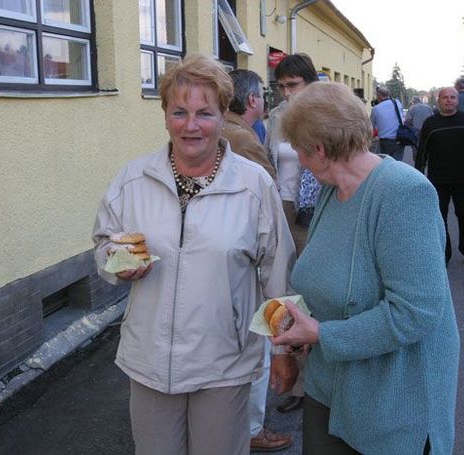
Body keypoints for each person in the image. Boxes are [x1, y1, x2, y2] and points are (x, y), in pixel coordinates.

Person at [92, 54, 296, 455]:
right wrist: (117, 264)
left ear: (223, 115)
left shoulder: (253, 185)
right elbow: (104, 246)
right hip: (150, 360)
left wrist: (283, 349)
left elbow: (279, 272)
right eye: (179, 112)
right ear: (165, 114)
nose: (191, 125)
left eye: (205, 113)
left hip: (224, 363)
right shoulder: (133, 180)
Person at [271, 81, 460, 454]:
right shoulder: (333, 189)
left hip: (391, 401)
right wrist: (292, 343)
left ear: (321, 150)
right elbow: (325, 280)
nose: (300, 161)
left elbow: (415, 312)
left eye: (300, 151)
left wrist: (322, 335)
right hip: (329, 388)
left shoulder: (403, 193)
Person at [223, 68, 293, 452]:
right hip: (251, 259)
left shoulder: (238, 131)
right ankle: (250, 428)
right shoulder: (241, 138)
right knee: (258, 346)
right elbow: (267, 202)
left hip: (239, 256)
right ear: (252, 100)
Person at [264, 53, 321, 415]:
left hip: (317, 210)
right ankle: (300, 385)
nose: (286, 93)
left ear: (310, 83)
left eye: (293, 85)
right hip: (284, 206)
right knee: (291, 292)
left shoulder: (325, 113)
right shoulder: (275, 118)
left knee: (317, 290)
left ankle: (324, 378)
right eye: (281, 86)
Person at [415, 87, 464, 265]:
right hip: (438, 180)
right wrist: (419, 176)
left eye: (452, 97)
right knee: (440, 219)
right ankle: (445, 253)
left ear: (457, 100)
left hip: (462, 178)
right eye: (445, 98)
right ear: (439, 100)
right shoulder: (430, 123)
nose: (449, 100)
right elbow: (422, 152)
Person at [224, 69, 276, 179]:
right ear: (252, 99)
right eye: (262, 96)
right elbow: (268, 184)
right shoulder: (243, 139)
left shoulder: (221, 126)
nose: (264, 101)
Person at [370, 86, 406, 160]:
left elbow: (371, 126)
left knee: (387, 164)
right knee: (398, 164)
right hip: (400, 139)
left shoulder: (376, 109)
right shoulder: (397, 103)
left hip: (385, 142)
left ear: (379, 96)